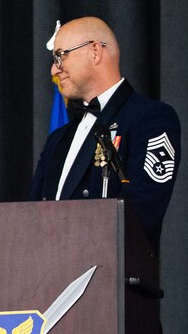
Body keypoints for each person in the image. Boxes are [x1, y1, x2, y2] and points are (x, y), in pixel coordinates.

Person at [28, 16, 180, 250]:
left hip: (111, 277)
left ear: (95, 52)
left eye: (60, 56)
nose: (54, 69)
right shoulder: (58, 140)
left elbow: (141, 214)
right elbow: (30, 215)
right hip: (51, 279)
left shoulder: (151, 118)